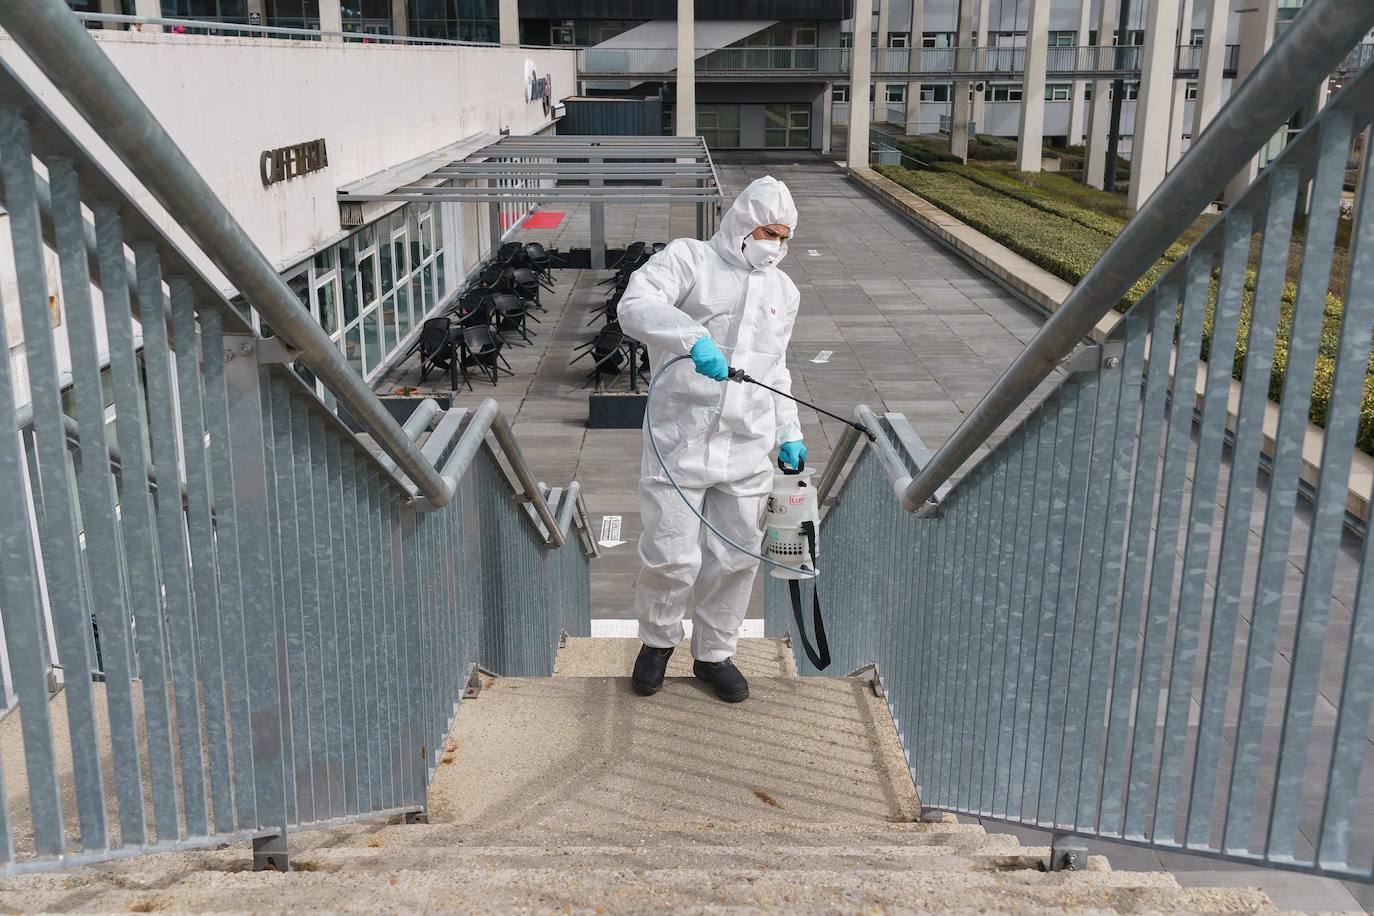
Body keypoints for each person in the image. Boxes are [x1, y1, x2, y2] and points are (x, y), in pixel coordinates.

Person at [617, 175, 805, 704]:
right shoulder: (690, 260)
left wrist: (788, 431)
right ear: (743, 222)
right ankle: (657, 642)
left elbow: (777, 370)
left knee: (737, 555)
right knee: (670, 554)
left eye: (784, 235)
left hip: (748, 445)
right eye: (768, 230)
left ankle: (714, 654)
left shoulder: (783, 291)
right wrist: (694, 337)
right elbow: (635, 305)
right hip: (681, 439)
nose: (775, 243)